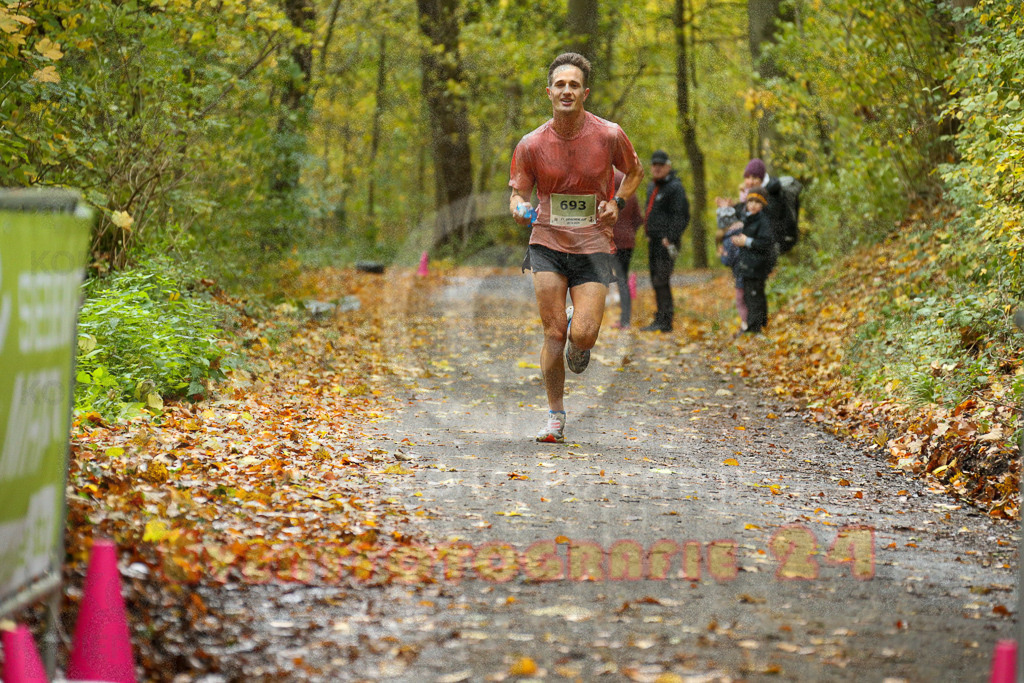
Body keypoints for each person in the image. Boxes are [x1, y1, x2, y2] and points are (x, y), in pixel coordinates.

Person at [508, 52, 644, 443]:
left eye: (574, 85)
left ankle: (577, 331)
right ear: (548, 92)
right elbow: (518, 192)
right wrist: (520, 209)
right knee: (553, 332)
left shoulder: (609, 135)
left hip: (594, 246)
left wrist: (616, 203)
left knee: (582, 335)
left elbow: (633, 172)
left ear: (585, 92)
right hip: (547, 242)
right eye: (560, 84)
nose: (566, 91)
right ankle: (555, 416)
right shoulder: (531, 143)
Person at [641, 150, 689, 332]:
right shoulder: (652, 187)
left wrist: (671, 237)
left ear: (668, 166)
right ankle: (659, 317)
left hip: (667, 243)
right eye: (654, 165)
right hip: (653, 241)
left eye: (661, 165)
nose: (657, 168)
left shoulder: (675, 187)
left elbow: (682, 215)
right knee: (655, 280)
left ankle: (666, 321)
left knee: (662, 279)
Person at [729, 187, 776, 334]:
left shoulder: (763, 221)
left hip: (757, 265)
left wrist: (747, 241)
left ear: (763, 204)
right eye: (751, 201)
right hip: (748, 264)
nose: (753, 205)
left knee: (754, 296)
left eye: (757, 202)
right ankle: (756, 324)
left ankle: (755, 327)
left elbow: (765, 243)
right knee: (750, 295)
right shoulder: (748, 218)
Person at [610, 168, 643, 329]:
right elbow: (639, 219)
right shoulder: (631, 195)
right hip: (628, 243)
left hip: (611, 242)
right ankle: (625, 319)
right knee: (622, 279)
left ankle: (623, 320)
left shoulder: (607, 197)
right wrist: (630, 233)